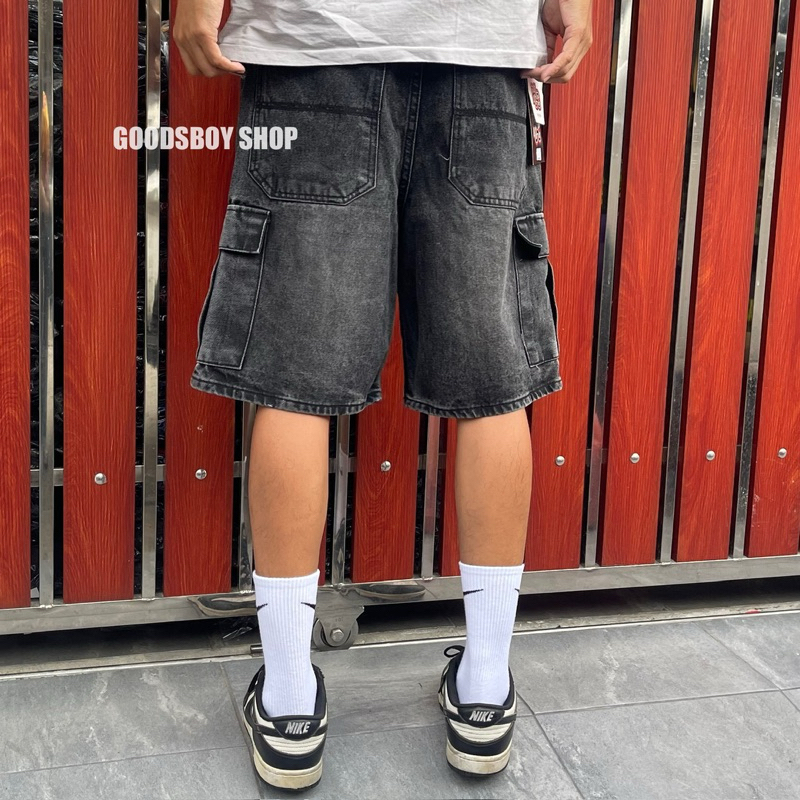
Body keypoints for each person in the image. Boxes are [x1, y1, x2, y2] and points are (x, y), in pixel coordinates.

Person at [174, 0, 592, 791]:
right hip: (481, 55)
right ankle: (484, 688)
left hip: (314, 49)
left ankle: (290, 703)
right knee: (493, 381)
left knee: (295, 380)